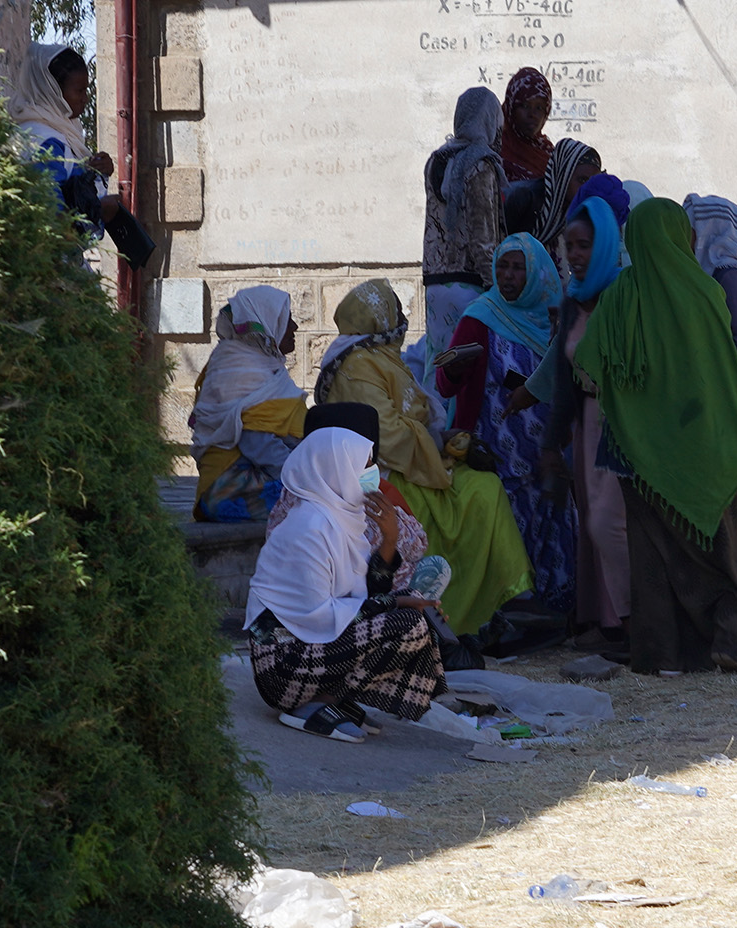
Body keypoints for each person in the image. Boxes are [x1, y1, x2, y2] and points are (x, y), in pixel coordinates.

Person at [576, 198, 737, 675]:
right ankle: (728, 633)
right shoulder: (706, 292)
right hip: (711, 444)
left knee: (653, 557)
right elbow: (730, 362)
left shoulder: (620, 296)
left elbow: (589, 369)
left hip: (640, 454)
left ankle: (663, 655)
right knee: (727, 546)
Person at [315, 278, 534, 636]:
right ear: (377, 317)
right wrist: (435, 446)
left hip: (414, 460)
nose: (402, 318)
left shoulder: (375, 354)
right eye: (395, 311)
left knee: (484, 486)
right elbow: (383, 434)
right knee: (478, 493)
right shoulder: (357, 365)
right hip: (381, 471)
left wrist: (440, 439)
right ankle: (466, 611)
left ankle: (501, 602)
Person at [246, 427, 450, 742]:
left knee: (413, 615)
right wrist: (394, 605)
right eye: (364, 466)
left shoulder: (339, 519)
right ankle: (312, 703)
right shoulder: (308, 529)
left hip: (311, 648)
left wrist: (389, 540)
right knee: (407, 621)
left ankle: (329, 697)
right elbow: (321, 615)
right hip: (283, 667)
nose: (372, 474)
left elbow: (365, 596)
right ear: (337, 470)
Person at [437, 234, 576, 614]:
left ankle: (557, 609)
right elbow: (445, 384)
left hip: (548, 448)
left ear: (536, 273)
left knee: (554, 520)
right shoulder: (480, 317)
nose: (508, 276)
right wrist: (455, 369)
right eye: (502, 267)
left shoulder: (557, 318)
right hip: (497, 453)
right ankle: (513, 611)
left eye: (518, 267)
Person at [524, 193, 631, 647]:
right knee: (591, 523)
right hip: (588, 424)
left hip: (622, 426)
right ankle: (606, 622)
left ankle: (635, 619)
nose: (575, 255)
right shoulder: (573, 301)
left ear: (604, 243)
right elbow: (565, 380)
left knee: (611, 523)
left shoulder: (624, 296)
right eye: (570, 245)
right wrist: (552, 443)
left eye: (585, 244)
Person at [189, 286, 305, 521]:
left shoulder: (258, 361)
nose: (295, 327)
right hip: (226, 490)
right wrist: (302, 478)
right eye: (287, 319)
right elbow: (256, 441)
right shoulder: (241, 366)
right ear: (267, 321)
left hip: (246, 478)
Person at [684, 194, 737, 515]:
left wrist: (707, 380)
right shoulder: (707, 273)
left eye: (690, 228)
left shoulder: (728, 271)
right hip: (733, 410)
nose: (686, 237)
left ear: (708, 227)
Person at [422, 86, 505, 365]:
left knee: (440, 369)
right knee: (471, 372)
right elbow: (483, 238)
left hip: (436, 285)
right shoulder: (481, 164)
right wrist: (497, 289)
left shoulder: (436, 160)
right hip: (471, 287)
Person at [12, 41, 122, 244]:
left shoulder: (52, 131)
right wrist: (100, 210)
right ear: (53, 91)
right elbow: (52, 221)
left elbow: (69, 188)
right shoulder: (45, 142)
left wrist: (95, 174)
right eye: (79, 91)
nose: (85, 99)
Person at [532, 138, 601, 252]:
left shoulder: (571, 216)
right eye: (582, 180)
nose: (587, 189)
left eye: (593, 183)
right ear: (563, 176)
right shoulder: (529, 200)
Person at [498, 67, 554, 183]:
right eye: (525, 106)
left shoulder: (550, 155)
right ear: (511, 108)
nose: (532, 114)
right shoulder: (496, 151)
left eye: (539, 108)